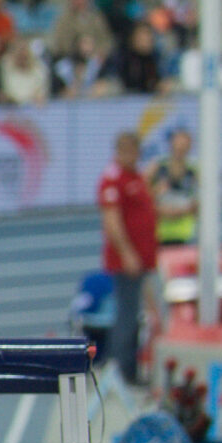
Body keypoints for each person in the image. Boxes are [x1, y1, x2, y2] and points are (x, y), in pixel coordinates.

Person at [96, 128, 159, 388]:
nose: (134, 156)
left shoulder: (136, 177)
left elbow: (147, 210)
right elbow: (112, 222)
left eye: (136, 151)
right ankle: (123, 371)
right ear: (120, 151)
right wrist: (127, 253)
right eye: (129, 151)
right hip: (127, 262)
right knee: (127, 316)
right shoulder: (113, 180)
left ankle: (125, 368)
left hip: (142, 258)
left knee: (133, 315)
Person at [149, 128, 197, 247]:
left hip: (185, 234)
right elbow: (143, 197)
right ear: (171, 145)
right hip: (160, 233)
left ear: (189, 147)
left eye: (184, 146)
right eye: (177, 145)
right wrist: (155, 192)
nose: (180, 149)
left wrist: (183, 211)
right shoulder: (157, 167)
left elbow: (201, 202)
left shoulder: (195, 170)